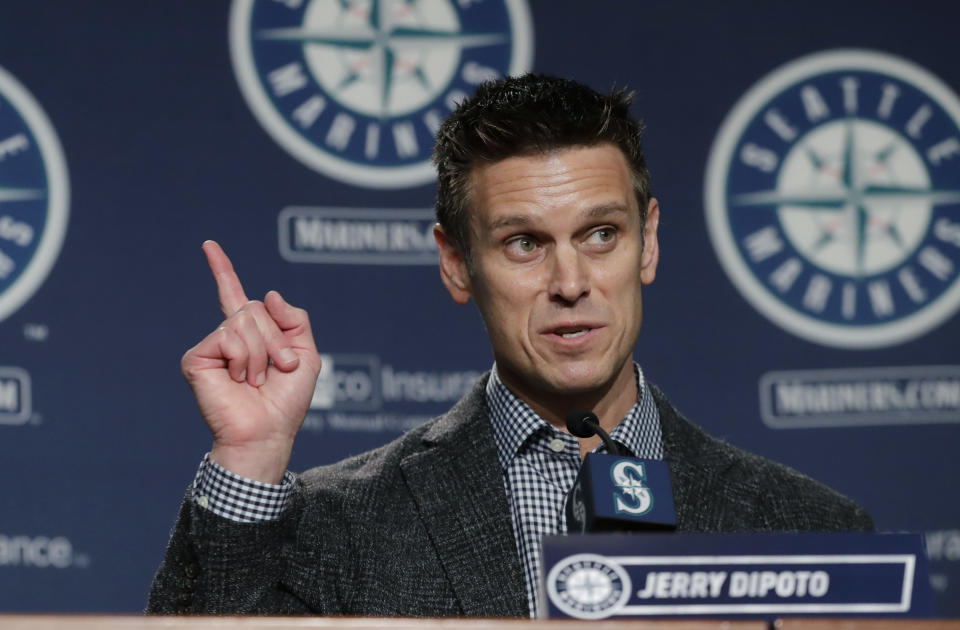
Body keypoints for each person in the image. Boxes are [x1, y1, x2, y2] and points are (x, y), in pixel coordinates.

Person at [147, 74, 872, 618]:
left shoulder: (809, 526)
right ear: (457, 262)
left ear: (648, 241)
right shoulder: (341, 526)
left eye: (600, 235)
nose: (570, 282)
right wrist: (250, 459)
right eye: (525, 243)